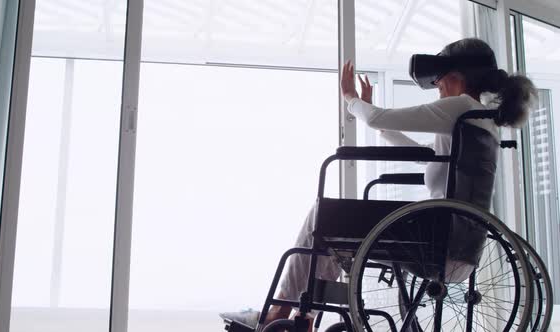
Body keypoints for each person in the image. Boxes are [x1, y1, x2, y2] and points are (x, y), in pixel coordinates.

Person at [221, 37, 536, 331]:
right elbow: (420, 154)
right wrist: (367, 111)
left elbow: (376, 118)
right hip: (459, 249)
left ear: (456, 75)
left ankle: (278, 314)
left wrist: (351, 100)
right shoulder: (481, 120)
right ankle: (303, 316)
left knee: (323, 216)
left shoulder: (460, 107)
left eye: (439, 79)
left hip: (436, 241)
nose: (438, 87)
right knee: (334, 235)